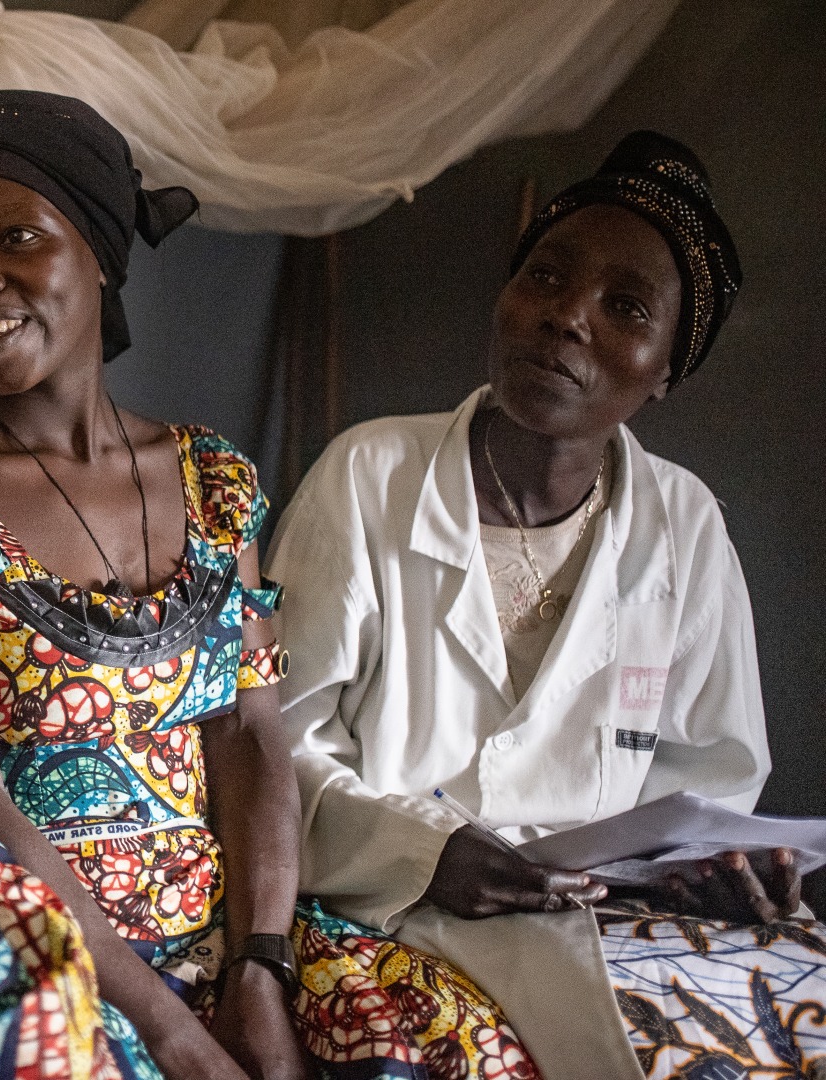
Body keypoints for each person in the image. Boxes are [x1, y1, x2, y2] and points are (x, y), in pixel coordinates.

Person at [0, 89, 529, 1080]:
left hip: (219, 934)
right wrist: (173, 1035)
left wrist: (259, 972)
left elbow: (251, 734)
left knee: (453, 1046)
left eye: (15, 236)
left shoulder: (216, 480)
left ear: (103, 254)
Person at [268, 131, 822, 1080]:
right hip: (390, 901)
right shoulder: (370, 473)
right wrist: (423, 851)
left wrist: (712, 869)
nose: (566, 319)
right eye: (546, 278)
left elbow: (711, 777)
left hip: (599, 907)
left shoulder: (684, 521)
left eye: (625, 307)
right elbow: (271, 744)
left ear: (665, 372)